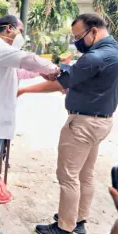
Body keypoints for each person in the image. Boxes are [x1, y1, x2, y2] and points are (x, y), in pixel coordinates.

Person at [17, 13, 118, 234]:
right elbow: (86, 77)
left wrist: (23, 89)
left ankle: (64, 227)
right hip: (103, 121)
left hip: (83, 123)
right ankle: (78, 220)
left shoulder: (94, 57)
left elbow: (60, 84)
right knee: (86, 174)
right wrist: (65, 72)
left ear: (94, 31)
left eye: (78, 36)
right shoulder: (114, 52)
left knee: (68, 176)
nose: (76, 42)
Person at [0, 15, 59, 234]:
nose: (21, 35)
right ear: (9, 29)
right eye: (20, 30)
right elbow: (28, 59)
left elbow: (21, 70)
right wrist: (53, 69)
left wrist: (43, 73)